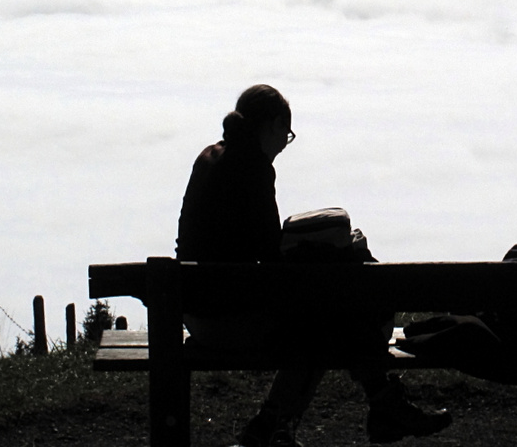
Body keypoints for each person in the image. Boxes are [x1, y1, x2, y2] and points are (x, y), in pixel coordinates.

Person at [176, 84, 451, 447]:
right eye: (286, 135)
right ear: (273, 126)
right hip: (225, 320)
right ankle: (359, 410)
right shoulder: (254, 168)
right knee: (325, 324)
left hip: (194, 310)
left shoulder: (210, 158)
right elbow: (270, 256)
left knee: (323, 319)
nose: (283, 146)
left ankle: (282, 425)